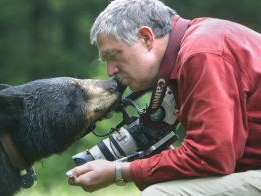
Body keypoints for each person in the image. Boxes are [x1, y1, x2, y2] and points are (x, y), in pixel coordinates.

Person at [66, 0, 261, 195]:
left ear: (146, 38)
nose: (110, 71)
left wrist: (119, 171)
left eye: (114, 55)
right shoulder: (200, 41)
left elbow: (211, 157)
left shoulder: (201, 54)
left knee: (158, 194)